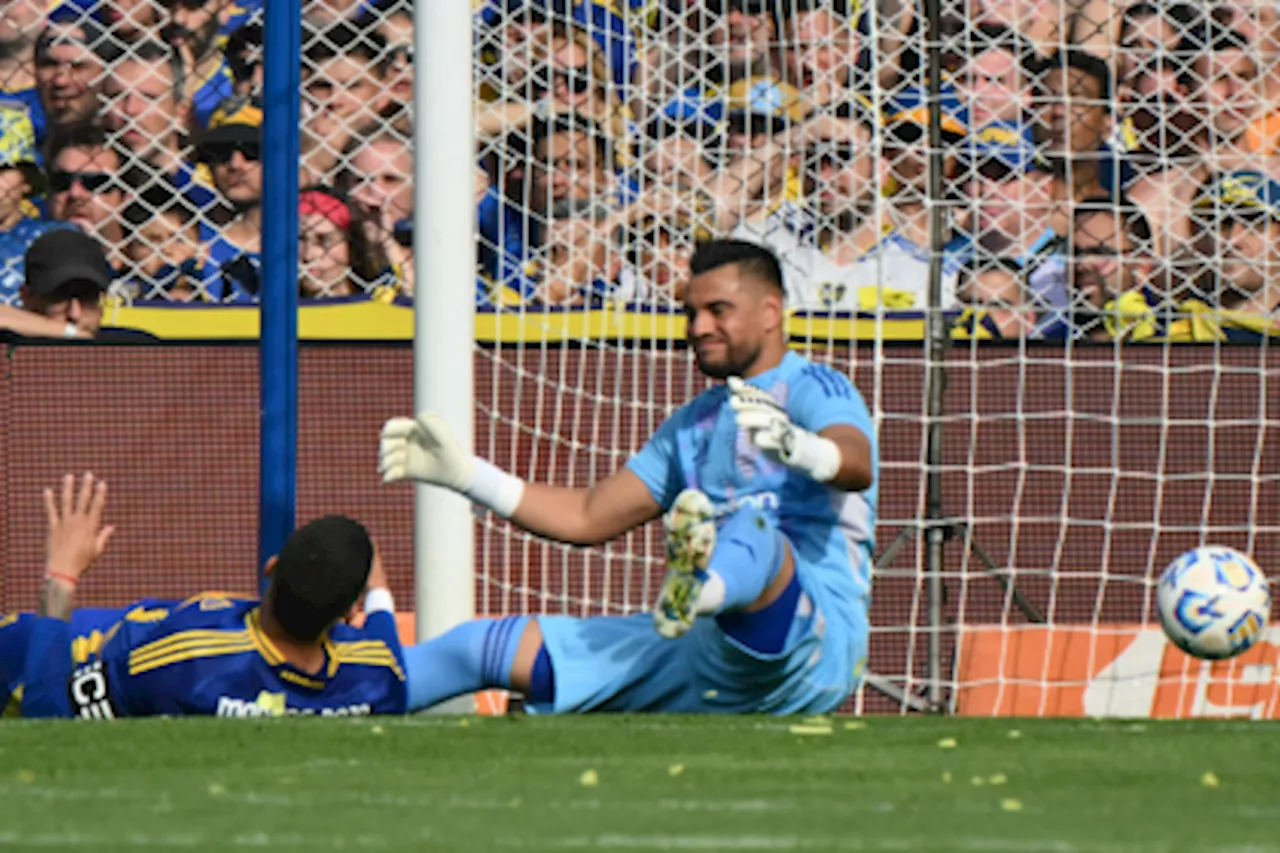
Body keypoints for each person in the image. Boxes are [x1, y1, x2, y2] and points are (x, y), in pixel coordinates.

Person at [379, 239, 877, 714]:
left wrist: (803, 447)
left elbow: (856, 462)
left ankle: (702, 590)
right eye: (690, 313)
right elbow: (587, 516)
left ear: (771, 312)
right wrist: (467, 475)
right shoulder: (694, 424)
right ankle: (330, 696)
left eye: (718, 310)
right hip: (703, 655)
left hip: (813, 646)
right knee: (477, 648)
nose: (699, 327)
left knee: (754, 532)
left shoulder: (815, 388)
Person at [6, 473, 408, 718]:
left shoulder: (189, 656)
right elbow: (386, 654)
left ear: (271, 568)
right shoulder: (376, 678)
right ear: (348, 612)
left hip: (64, 649)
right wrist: (378, 596)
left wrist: (62, 574)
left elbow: (50, 711)